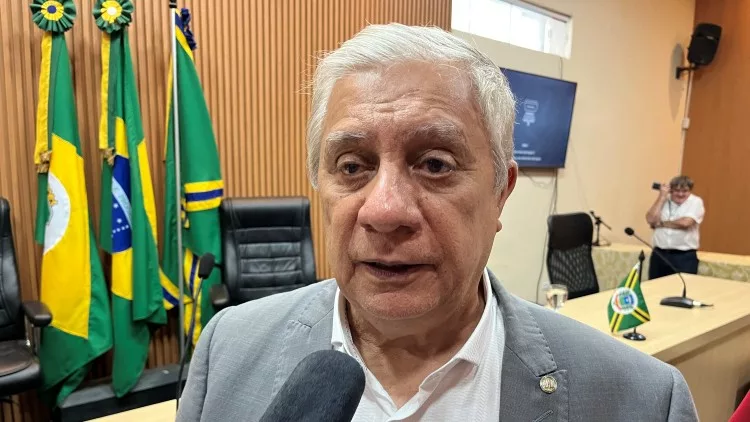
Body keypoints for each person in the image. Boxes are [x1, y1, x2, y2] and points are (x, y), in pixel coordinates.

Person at [177, 24, 697, 421]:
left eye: (434, 164)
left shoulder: (642, 400)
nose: (384, 211)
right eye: (352, 167)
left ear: (501, 192)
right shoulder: (227, 349)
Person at [645, 176, 705, 280]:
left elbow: (685, 223)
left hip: (683, 257)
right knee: (655, 287)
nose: (680, 194)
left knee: (682, 288)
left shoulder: (695, 202)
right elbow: (650, 219)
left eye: (685, 191)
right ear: (670, 190)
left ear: (690, 191)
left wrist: (660, 224)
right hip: (659, 255)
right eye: (677, 190)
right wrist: (662, 197)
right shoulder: (664, 200)